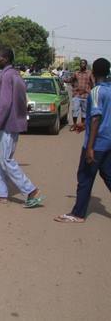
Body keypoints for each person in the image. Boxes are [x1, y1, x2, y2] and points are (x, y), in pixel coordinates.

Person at [0, 47, 45, 207]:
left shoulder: (6, 77)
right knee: (0, 160)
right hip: (14, 123)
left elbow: (4, 104)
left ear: (5, 59)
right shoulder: (16, 75)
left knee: (5, 160)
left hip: (7, 125)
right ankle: (1, 194)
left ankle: (31, 190)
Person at [55, 58, 111, 223]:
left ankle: (77, 214)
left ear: (93, 72)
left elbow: (95, 118)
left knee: (85, 177)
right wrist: (83, 125)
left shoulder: (96, 91)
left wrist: (90, 148)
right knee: (108, 175)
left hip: (97, 143)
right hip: (108, 142)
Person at [68, 59, 95, 133]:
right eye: (81, 63)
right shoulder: (76, 73)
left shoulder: (89, 73)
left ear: (86, 65)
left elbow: (93, 84)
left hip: (86, 96)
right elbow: (71, 80)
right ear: (80, 65)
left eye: (84, 63)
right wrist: (74, 88)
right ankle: (74, 125)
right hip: (77, 95)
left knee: (84, 111)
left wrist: (89, 91)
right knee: (75, 110)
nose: (82, 65)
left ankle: (82, 125)